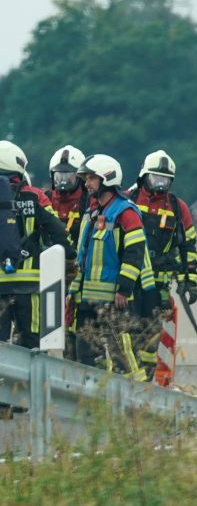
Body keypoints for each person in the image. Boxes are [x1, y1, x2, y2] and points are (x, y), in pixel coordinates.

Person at [70, 154, 157, 378]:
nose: (86, 183)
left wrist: (124, 289)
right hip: (88, 299)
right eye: (86, 178)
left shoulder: (125, 213)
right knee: (85, 354)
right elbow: (84, 257)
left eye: (91, 178)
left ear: (107, 179)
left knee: (122, 355)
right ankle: (95, 400)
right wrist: (73, 293)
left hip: (114, 299)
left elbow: (135, 252)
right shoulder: (92, 213)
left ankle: (137, 399)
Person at [0, 140, 76, 349]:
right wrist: (70, 257)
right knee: (32, 343)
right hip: (29, 286)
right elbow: (59, 233)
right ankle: (29, 382)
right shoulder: (35, 196)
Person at [127, 150, 197, 312]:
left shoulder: (178, 208)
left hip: (158, 286)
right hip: (129, 283)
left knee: (151, 333)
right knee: (125, 330)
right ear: (145, 176)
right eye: (156, 178)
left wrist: (189, 280)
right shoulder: (128, 201)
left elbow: (188, 247)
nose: (160, 184)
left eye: (165, 180)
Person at [44, 144, 89, 357]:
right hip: (49, 272)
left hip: (78, 273)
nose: (62, 181)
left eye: (68, 176)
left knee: (76, 325)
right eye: (59, 176)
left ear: (79, 178)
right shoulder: (45, 199)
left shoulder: (88, 202)